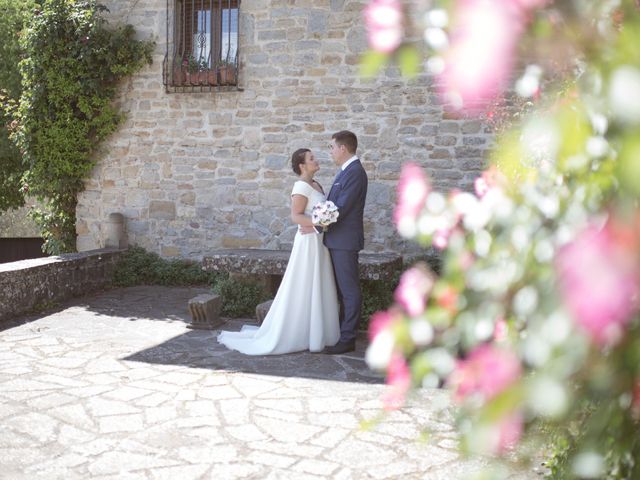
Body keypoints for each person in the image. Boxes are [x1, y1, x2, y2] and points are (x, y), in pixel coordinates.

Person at [217, 149, 340, 355]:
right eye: (312, 159)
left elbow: (318, 214)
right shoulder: (300, 186)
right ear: (302, 165)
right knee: (304, 282)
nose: (316, 160)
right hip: (308, 242)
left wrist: (321, 225)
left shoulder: (316, 185)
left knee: (319, 282)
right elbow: (296, 216)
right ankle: (297, 333)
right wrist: (319, 222)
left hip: (318, 240)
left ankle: (318, 332)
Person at [321, 130, 368, 354]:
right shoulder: (346, 171)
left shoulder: (355, 172)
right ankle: (342, 332)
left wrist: (317, 222)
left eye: (332, 147)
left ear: (343, 148)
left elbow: (341, 207)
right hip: (337, 239)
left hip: (345, 241)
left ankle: (348, 338)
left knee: (349, 290)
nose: (330, 152)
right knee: (342, 290)